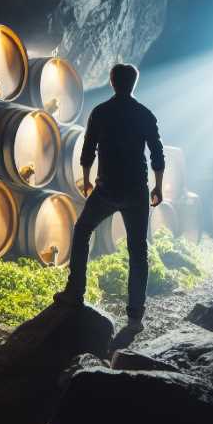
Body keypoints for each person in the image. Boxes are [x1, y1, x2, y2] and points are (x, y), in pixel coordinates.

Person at [54, 62, 165, 332]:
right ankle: (136, 315)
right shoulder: (144, 114)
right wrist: (158, 187)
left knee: (82, 231)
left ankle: (75, 292)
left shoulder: (101, 112)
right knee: (138, 251)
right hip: (137, 190)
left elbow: (88, 148)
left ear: (112, 82)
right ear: (133, 83)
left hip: (107, 189)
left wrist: (87, 179)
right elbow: (157, 154)